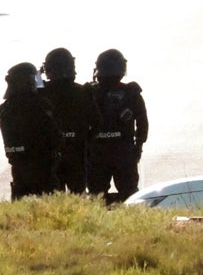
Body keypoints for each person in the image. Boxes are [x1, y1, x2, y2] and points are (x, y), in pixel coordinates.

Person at [87, 49, 148, 204]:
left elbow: (79, 122)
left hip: (96, 154)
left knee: (96, 197)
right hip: (124, 153)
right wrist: (138, 147)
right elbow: (143, 125)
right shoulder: (132, 93)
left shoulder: (89, 93)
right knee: (131, 196)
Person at [40, 48, 100, 194]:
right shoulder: (83, 92)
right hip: (77, 151)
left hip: (52, 153)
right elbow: (97, 122)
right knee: (79, 195)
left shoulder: (42, 93)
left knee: (54, 198)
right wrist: (86, 140)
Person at [0, 62, 60, 199]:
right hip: (43, 168)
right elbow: (55, 136)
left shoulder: (4, 109)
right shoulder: (41, 105)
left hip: (18, 167)